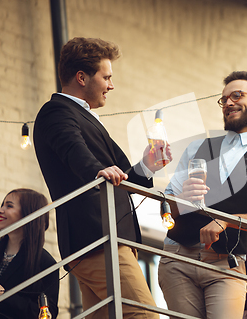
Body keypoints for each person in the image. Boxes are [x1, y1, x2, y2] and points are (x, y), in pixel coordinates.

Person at [33, 37, 170, 319]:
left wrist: (147, 164)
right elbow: (74, 150)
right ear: (81, 77)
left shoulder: (87, 117)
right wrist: (96, 170)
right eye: (106, 77)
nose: (111, 85)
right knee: (144, 315)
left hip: (106, 238)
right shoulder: (56, 112)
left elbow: (125, 174)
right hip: (98, 236)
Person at [158, 71, 247, 319]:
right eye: (224, 99)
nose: (228, 103)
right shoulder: (197, 147)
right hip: (177, 259)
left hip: (227, 264)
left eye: (237, 95)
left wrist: (227, 220)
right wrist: (180, 199)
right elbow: (167, 207)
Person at [0, 188, 59, 318]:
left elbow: (48, 314)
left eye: (9, 206)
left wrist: (4, 296)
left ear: (28, 214)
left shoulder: (45, 263)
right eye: (2, 205)